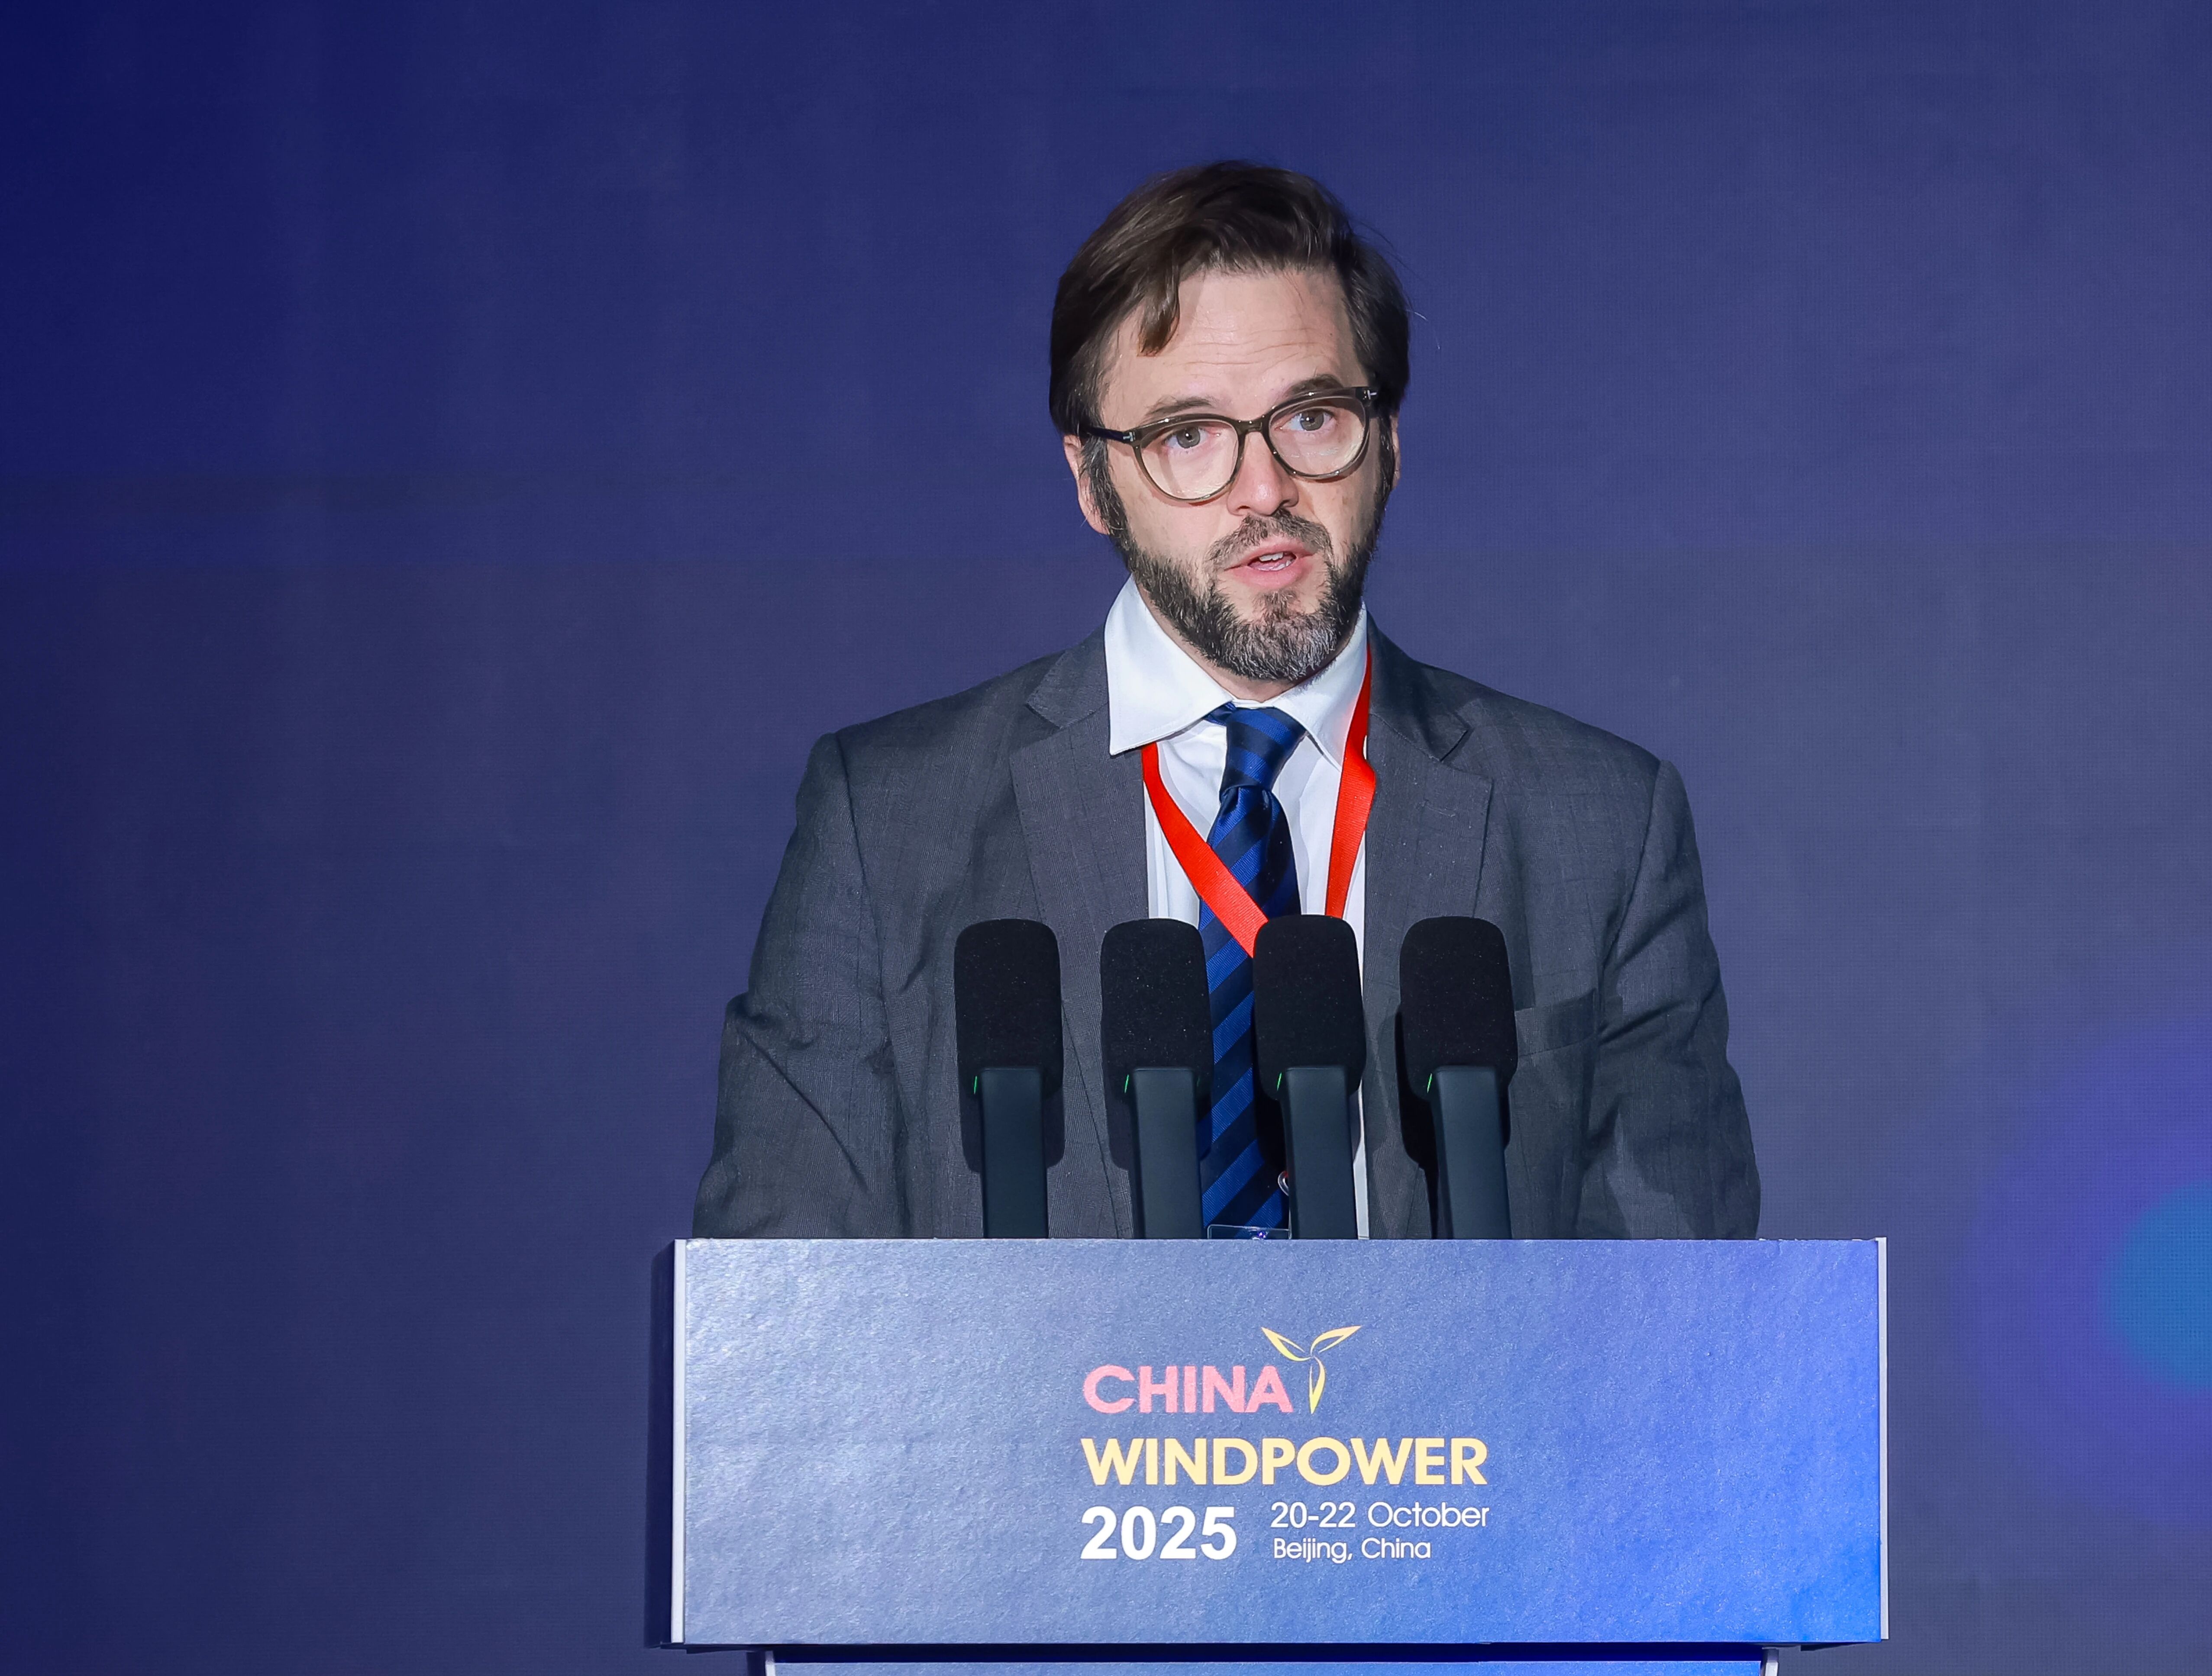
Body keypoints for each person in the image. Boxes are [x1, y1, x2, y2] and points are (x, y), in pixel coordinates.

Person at [694, 162, 1757, 1240]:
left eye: (1312, 416)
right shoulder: (887, 825)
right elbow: (786, 1302)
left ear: (1389, 441)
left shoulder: (1601, 823)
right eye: (1189, 435)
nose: (1264, 489)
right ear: (1091, 480)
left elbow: (1684, 1311)